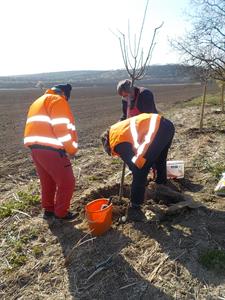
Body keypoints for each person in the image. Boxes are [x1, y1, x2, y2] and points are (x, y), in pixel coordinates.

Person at [101, 113, 175, 221]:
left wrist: (139, 177)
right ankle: (160, 183)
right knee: (159, 159)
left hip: (157, 130)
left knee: (140, 169)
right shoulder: (117, 130)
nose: (116, 155)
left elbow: (136, 166)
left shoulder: (116, 142)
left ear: (108, 146)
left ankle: (135, 207)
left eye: (113, 154)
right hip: (167, 126)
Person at [24, 83, 78, 221]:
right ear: (64, 94)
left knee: (47, 181)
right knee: (67, 182)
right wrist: (71, 149)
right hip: (52, 149)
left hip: (35, 149)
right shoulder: (58, 100)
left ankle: (48, 211)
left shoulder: (38, 102)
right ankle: (61, 213)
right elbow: (61, 130)